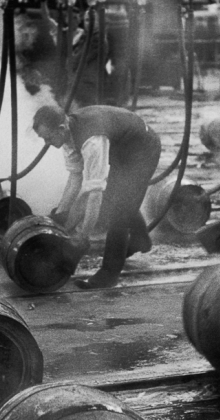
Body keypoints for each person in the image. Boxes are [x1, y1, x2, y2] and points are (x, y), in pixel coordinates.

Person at [32, 104, 161, 289]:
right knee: (120, 195)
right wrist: (60, 218)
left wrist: (82, 238)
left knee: (118, 212)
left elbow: (94, 194)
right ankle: (140, 239)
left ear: (61, 128)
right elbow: (75, 178)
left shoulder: (92, 141)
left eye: (48, 138)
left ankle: (109, 274)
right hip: (121, 148)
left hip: (142, 150)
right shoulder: (67, 134)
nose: (46, 143)